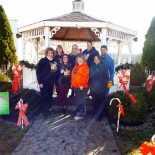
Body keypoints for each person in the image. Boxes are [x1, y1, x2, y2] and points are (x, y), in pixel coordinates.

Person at [36, 47, 60, 118]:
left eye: (51, 53)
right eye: (49, 53)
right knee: (45, 98)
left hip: (51, 83)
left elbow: (57, 72)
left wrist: (56, 82)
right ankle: (45, 112)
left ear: (53, 54)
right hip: (44, 83)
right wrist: (40, 82)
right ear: (46, 53)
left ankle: (49, 110)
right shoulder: (43, 61)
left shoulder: (55, 61)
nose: (50, 54)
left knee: (50, 97)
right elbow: (38, 71)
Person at [89, 55, 109, 121]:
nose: (96, 60)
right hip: (93, 89)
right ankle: (95, 113)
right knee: (95, 102)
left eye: (97, 59)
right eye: (95, 59)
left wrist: (102, 85)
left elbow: (106, 77)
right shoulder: (92, 67)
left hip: (101, 89)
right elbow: (90, 77)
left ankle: (100, 115)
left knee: (101, 103)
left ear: (100, 59)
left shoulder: (104, 67)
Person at [71, 55, 89, 120]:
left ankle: (80, 114)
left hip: (82, 86)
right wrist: (72, 83)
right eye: (79, 59)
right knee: (78, 100)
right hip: (76, 86)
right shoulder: (76, 67)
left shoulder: (85, 67)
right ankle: (80, 111)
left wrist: (82, 84)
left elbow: (86, 77)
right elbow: (73, 76)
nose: (80, 60)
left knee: (81, 100)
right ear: (77, 60)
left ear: (83, 60)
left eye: (81, 59)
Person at [100, 45, 115, 114]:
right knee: (100, 95)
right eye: (102, 50)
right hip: (99, 81)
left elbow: (112, 71)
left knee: (105, 95)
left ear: (107, 50)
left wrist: (110, 81)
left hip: (107, 80)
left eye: (104, 50)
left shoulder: (110, 59)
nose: (103, 51)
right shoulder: (98, 58)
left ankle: (105, 111)